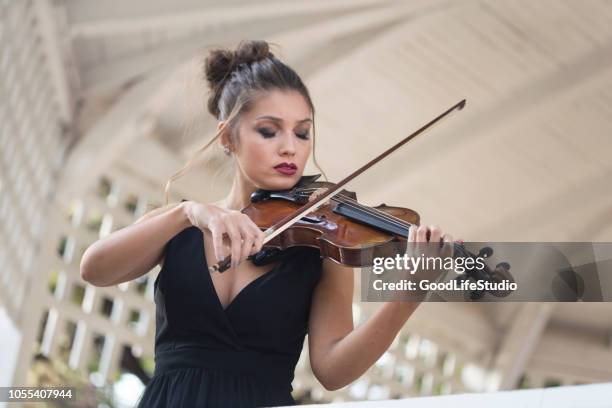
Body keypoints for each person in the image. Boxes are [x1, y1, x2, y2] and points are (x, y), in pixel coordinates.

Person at [80, 40, 455, 407]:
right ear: (228, 135)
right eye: (269, 131)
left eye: (302, 132)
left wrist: (407, 295)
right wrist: (187, 212)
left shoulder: (324, 247)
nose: (290, 147)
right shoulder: (178, 223)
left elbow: (332, 370)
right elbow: (95, 268)